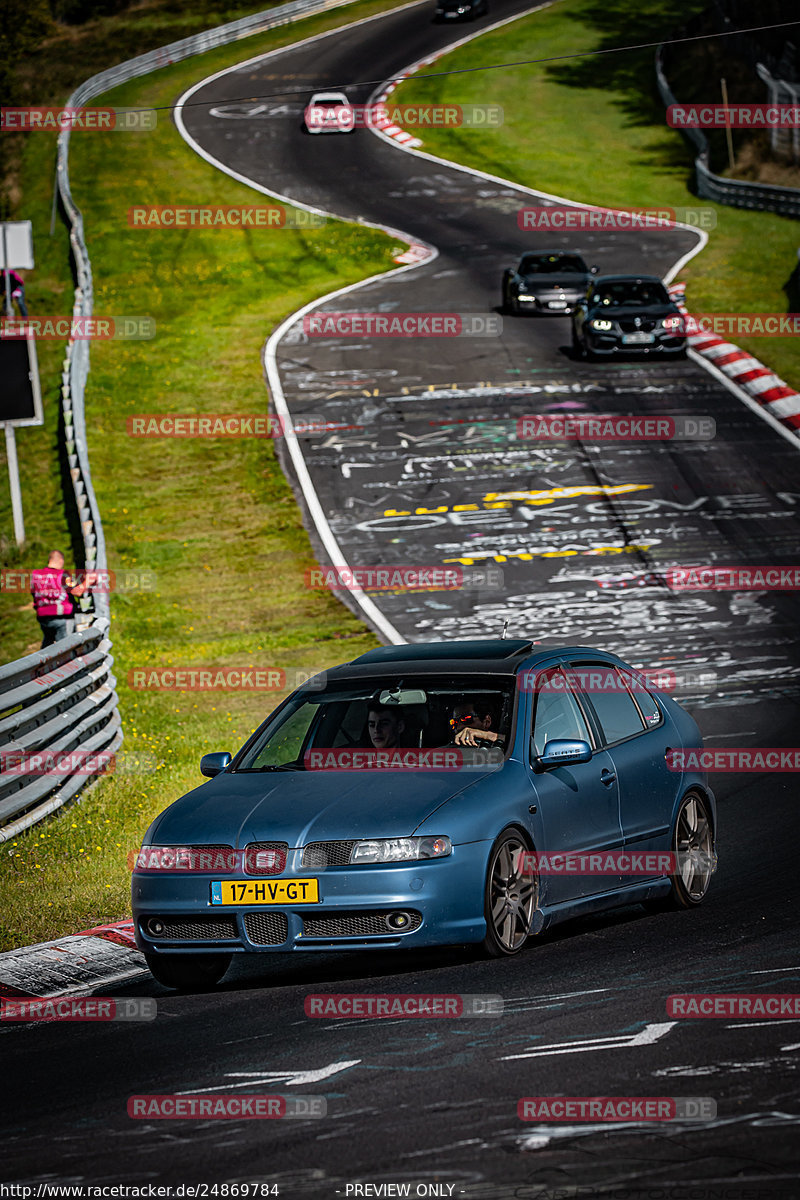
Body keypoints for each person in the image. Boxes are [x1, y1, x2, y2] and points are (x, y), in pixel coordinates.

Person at [30, 551, 94, 647]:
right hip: (62, 617)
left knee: (48, 646)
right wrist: (89, 581)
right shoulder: (63, 574)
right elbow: (77, 591)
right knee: (65, 647)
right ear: (61, 560)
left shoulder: (36, 575)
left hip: (43, 618)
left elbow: (33, 593)